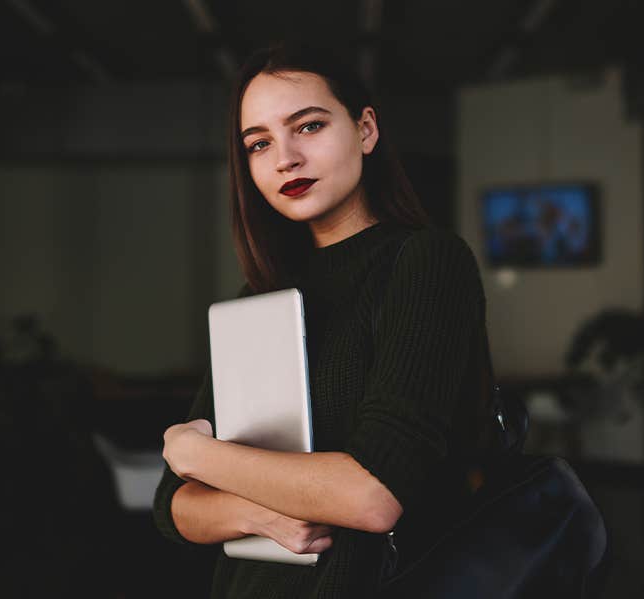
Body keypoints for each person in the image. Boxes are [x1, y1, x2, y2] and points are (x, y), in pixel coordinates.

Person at [153, 42, 497, 598]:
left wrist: (201, 455)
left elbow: (373, 495)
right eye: (259, 143)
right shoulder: (259, 298)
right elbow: (174, 507)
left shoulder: (426, 261)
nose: (284, 157)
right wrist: (264, 515)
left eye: (308, 127)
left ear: (365, 130)